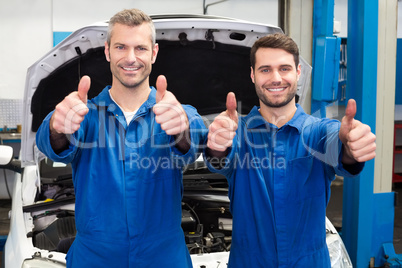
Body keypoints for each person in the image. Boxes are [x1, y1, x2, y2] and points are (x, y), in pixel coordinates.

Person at [36, 8, 206, 268]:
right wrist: (58, 129)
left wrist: (181, 131)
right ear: (107, 51)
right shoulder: (86, 115)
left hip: (163, 257)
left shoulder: (175, 113)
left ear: (154, 52)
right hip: (95, 257)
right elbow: (53, 144)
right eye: (120, 47)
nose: (130, 58)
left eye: (140, 48)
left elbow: (193, 139)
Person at [204, 33, 376, 267]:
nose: (276, 78)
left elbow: (338, 145)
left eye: (284, 68)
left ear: (297, 72)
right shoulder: (239, 134)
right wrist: (218, 144)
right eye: (265, 70)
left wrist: (350, 145)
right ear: (253, 75)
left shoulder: (318, 131)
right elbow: (220, 157)